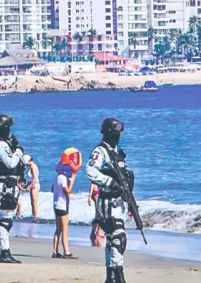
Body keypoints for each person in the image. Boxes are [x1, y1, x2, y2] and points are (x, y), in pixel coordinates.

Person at [86, 118, 135, 283]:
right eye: (115, 132)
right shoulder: (100, 151)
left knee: (112, 241)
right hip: (108, 202)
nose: (118, 135)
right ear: (108, 132)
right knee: (118, 237)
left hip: (120, 202)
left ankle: (112, 276)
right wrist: (108, 182)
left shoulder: (118, 152)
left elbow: (124, 177)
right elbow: (90, 170)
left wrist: (130, 202)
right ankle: (118, 277)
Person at [0, 114, 25, 264]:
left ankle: (5, 251)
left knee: (7, 219)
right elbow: (11, 163)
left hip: (3, 184)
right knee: (5, 220)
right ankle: (5, 252)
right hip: (4, 185)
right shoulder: (1, 145)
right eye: (8, 127)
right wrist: (19, 151)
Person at [52, 165, 76, 259]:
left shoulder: (56, 178)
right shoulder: (63, 179)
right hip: (62, 206)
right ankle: (66, 252)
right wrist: (72, 182)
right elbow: (68, 192)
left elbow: (52, 189)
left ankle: (55, 251)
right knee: (65, 230)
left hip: (56, 205)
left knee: (58, 229)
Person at [21, 154, 40, 220]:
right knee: (32, 202)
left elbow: (35, 179)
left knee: (34, 202)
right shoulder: (31, 167)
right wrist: (25, 186)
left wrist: (29, 186)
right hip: (32, 184)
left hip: (35, 185)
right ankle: (34, 216)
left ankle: (36, 217)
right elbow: (30, 179)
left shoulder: (33, 167)